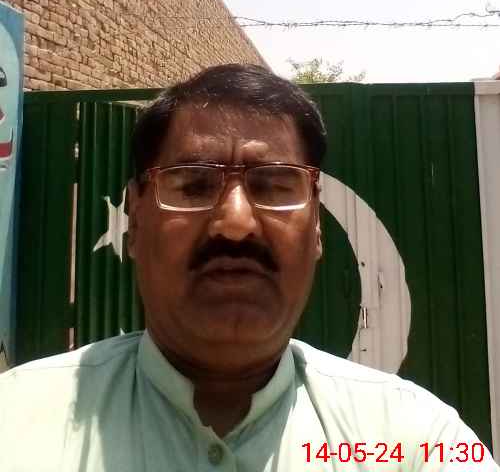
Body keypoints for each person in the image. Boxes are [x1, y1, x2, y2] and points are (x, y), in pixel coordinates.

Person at [0, 64, 498, 471]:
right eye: (193, 185)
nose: (235, 224)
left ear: (317, 228)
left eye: (274, 185)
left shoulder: (418, 438)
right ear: (135, 219)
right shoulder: (16, 422)